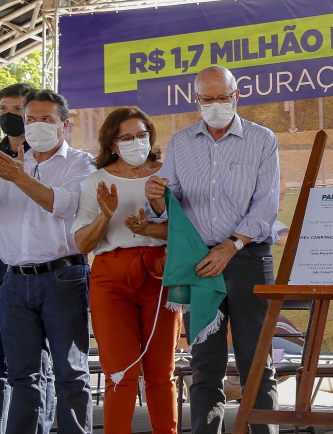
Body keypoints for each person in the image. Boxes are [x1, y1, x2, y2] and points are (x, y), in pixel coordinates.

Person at [145, 65, 280, 434]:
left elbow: (266, 205)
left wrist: (231, 246)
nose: (216, 105)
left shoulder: (262, 139)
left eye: (223, 97)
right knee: (205, 363)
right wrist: (156, 200)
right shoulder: (181, 142)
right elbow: (172, 202)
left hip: (248, 257)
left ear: (237, 96)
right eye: (208, 99)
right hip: (199, 263)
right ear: (196, 99)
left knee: (257, 362)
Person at [72, 107, 180, 434]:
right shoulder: (96, 180)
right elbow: (82, 243)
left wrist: (150, 229)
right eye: (127, 137)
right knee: (119, 373)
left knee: (161, 372)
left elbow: (189, 232)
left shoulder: (168, 175)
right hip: (111, 278)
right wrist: (105, 215)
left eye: (142, 135)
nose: (137, 142)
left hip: (160, 274)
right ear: (113, 144)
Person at [0, 88, 94, 434]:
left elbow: (65, 205)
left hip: (63, 278)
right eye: (30, 119)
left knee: (70, 372)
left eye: (46, 119)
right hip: (14, 279)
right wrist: (15, 173)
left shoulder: (80, 162)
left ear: (64, 124)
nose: (37, 125)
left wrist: (19, 178)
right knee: (22, 374)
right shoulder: (11, 163)